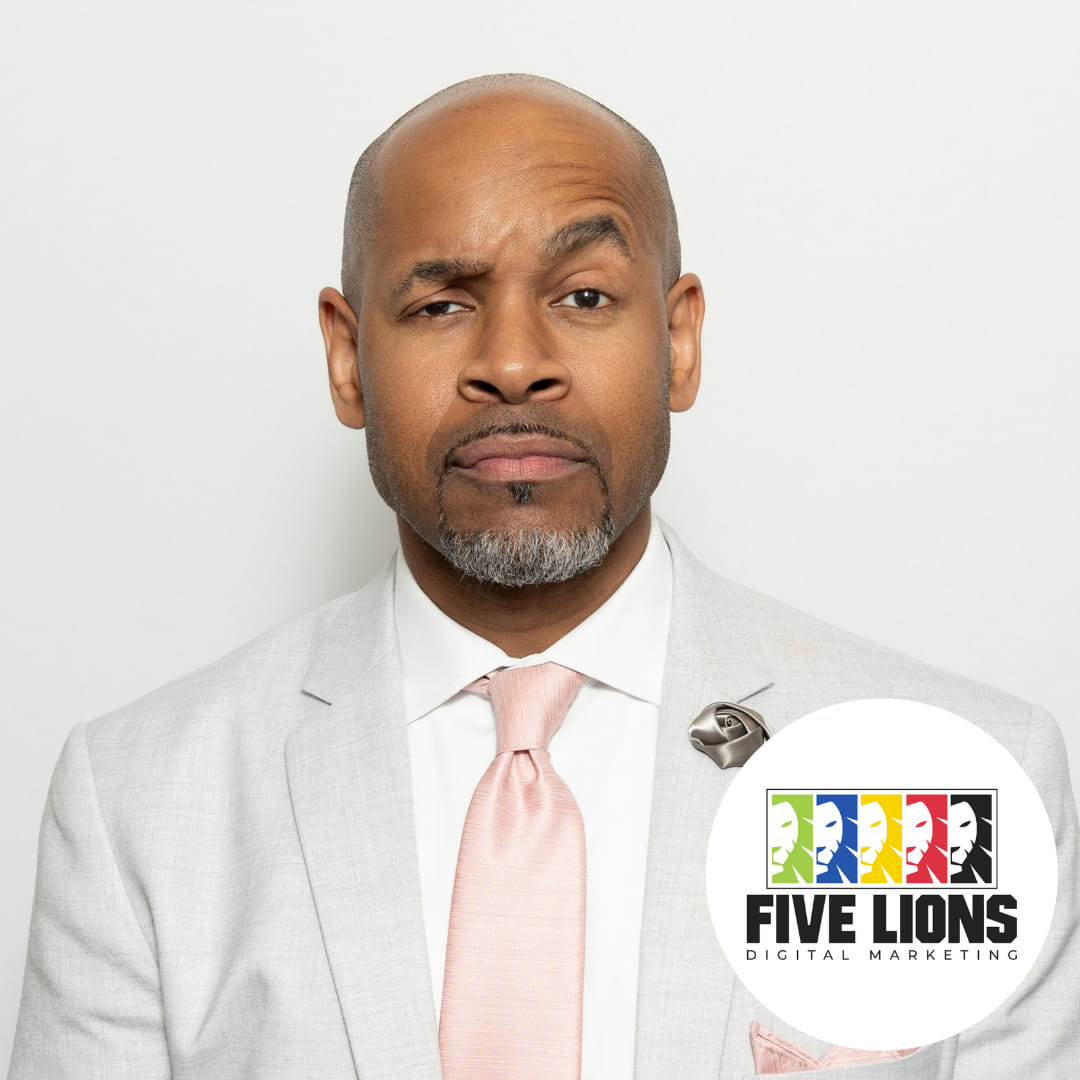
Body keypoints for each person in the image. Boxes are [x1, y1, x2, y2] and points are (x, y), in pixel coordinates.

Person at [8, 74, 1079, 1080]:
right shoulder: (139, 803)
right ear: (347, 358)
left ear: (679, 341)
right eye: (439, 305)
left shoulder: (960, 783)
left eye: (582, 295)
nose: (514, 363)